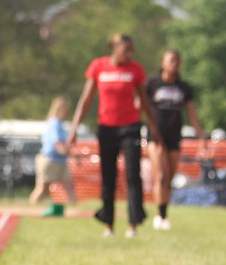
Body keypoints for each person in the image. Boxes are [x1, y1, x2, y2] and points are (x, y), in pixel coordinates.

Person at [67, 33, 163, 238]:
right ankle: (108, 224)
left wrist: (154, 127)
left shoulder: (135, 69)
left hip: (130, 127)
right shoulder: (98, 66)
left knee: (132, 174)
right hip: (106, 128)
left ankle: (133, 224)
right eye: (126, 49)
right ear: (116, 47)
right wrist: (74, 128)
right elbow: (86, 98)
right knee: (108, 176)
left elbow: (144, 101)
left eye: (132, 50)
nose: (129, 54)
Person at [144, 50, 206, 231]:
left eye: (177, 61)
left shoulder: (184, 88)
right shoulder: (152, 84)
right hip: (156, 137)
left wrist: (202, 139)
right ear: (162, 62)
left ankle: (164, 214)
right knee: (161, 175)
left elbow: (192, 116)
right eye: (171, 60)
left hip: (174, 137)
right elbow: (143, 108)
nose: (174, 64)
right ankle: (159, 215)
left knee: (169, 177)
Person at [31, 97, 77, 216]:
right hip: (50, 159)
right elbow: (58, 144)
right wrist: (69, 153)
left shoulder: (61, 125)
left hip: (61, 160)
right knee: (42, 188)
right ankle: (31, 210)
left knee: (69, 185)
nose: (67, 113)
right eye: (65, 110)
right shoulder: (54, 123)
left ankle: (75, 210)